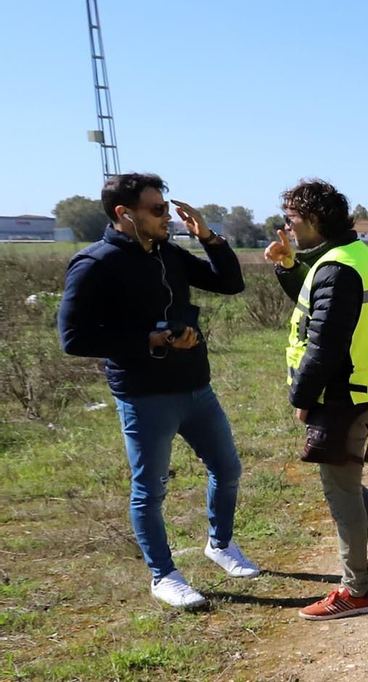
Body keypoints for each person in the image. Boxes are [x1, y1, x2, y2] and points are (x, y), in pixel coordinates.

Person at [58, 173, 258, 609]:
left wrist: (206, 236)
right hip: (144, 395)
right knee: (150, 490)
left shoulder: (169, 252)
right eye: (158, 210)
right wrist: (150, 340)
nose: (167, 217)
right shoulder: (95, 264)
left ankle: (219, 545)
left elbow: (229, 284)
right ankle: (163, 575)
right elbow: (73, 338)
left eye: (167, 208)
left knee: (227, 470)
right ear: (123, 214)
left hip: (195, 388)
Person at [267, 179, 368, 620]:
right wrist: (287, 267)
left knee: (340, 492)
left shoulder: (338, 268)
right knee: (346, 482)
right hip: (357, 389)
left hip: (342, 394)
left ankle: (357, 591)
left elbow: (325, 343)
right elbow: (321, 310)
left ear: (315, 220)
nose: (287, 227)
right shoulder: (346, 259)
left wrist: (303, 395)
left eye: (293, 219)